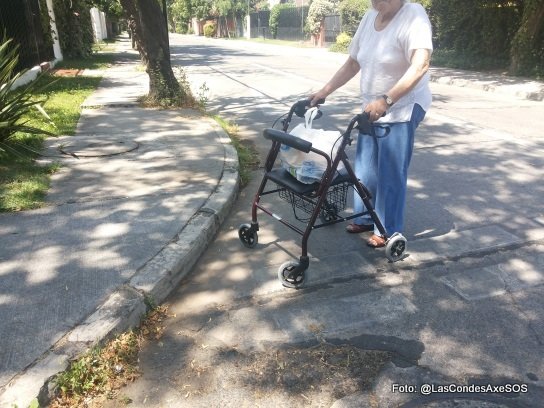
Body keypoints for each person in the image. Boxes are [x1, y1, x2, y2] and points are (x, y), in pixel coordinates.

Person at [310, 0, 433, 248]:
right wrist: (324, 91)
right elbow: (353, 62)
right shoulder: (369, 17)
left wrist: (387, 100)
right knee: (365, 167)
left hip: (403, 106)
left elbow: (420, 65)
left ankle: (387, 228)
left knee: (390, 169)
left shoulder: (413, 16)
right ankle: (366, 217)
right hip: (371, 107)